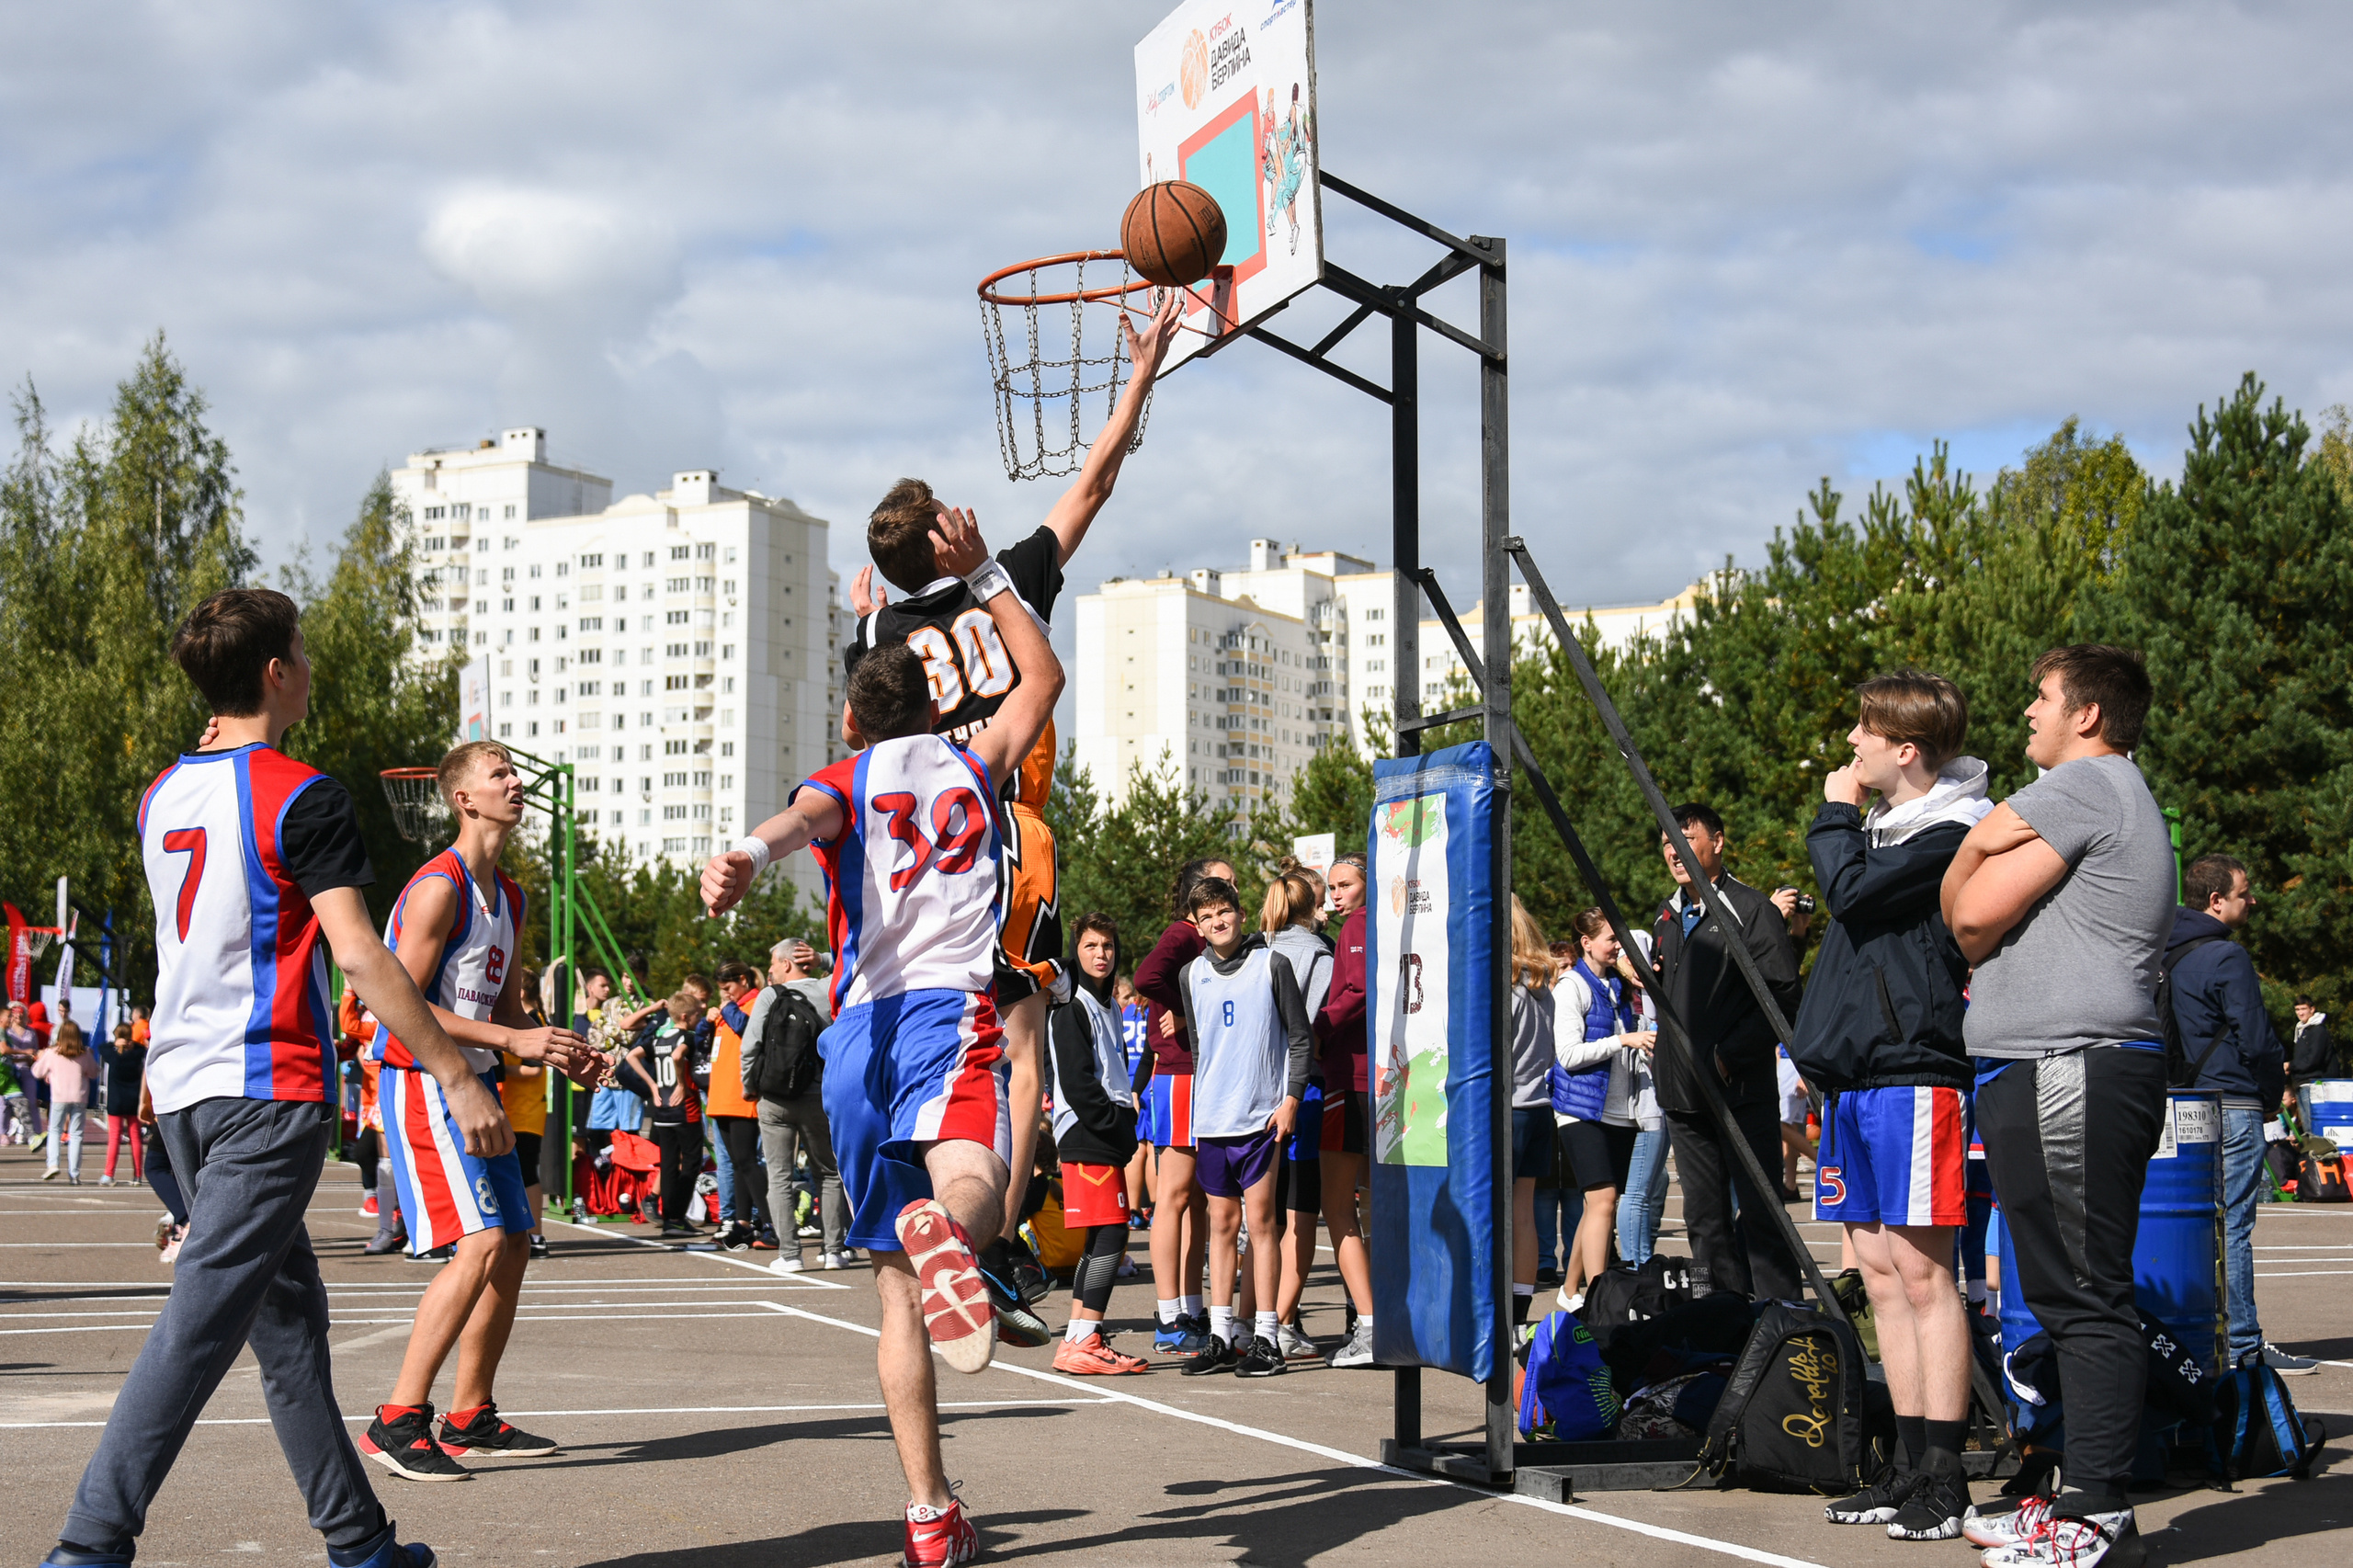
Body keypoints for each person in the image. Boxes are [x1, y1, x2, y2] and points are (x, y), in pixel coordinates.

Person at [48, 585, 455, 1568]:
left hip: (184, 1090)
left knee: (288, 1326)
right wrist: (454, 1069)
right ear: (276, 671)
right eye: (302, 652)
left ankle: (361, 1542)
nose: (310, 666)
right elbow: (358, 952)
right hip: (266, 1090)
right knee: (197, 1325)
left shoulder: (162, 793)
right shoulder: (303, 794)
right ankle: (90, 1543)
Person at [700, 508, 1063, 1567]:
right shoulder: (972, 761)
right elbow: (1040, 680)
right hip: (948, 1011)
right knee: (971, 1181)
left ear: (852, 721)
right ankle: (955, 1232)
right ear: (936, 703)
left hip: (857, 1034)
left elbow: (794, 825)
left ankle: (928, 1512)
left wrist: (744, 855)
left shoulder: (846, 779)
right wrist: (986, 575)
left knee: (897, 1292)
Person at [847, 298, 1184, 1321]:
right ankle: (991, 1239)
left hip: (918, 851)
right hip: (1006, 836)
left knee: (944, 1036)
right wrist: (1142, 370)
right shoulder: (1009, 582)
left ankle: (941, 1203)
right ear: (949, 535)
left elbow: (861, 735)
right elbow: (1096, 480)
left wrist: (872, 617)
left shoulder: (878, 634)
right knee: (1023, 1049)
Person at [1942, 645, 2175, 1568]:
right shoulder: (2100, 794)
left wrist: (1973, 843)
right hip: (2048, 1065)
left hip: (2069, 1065)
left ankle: (2097, 1513)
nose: (2028, 711)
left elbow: (1969, 915)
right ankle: (2077, 1496)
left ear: (2087, 714)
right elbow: (1975, 915)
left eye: (2041, 697)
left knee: (2082, 1293)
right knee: (2063, 1290)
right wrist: (1983, 850)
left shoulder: (2086, 783)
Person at [358, 740, 600, 1482]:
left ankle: (470, 1415)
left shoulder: (511, 896)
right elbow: (399, 1001)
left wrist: (556, 1048)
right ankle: (398, 1419)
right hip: (424, 1077)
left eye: (514, 773)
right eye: (500, 774)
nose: (515, 782)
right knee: (485, 1240)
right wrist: (509, 1039)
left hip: (479, 1078)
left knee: (515, 1244)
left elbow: (505, 1012)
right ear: (464, 798)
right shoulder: (440, 886)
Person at [1783, 670, 1989, 1541]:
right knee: (1877, 1275)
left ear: (1905, 749)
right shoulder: (1880, 831)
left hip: (1913, 1075)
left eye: (1863, 733)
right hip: (1854, 1080)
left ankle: (1946, 1474)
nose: (1850, 746)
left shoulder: (1955, 831)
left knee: (1923, 1274)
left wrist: (1834, 816)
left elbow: (1852, 894)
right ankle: (1906, 1465)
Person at [1650, 802, 1806, 1300]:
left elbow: (1783, 997)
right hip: (1681, 1096)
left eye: (1686, 838)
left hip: (1739, 1093)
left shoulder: (1752, 909)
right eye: (1667, 841)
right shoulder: (1666, 915)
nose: (1674, 851)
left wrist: (1726, 1057)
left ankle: (1786, 1322)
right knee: (1704, 1223)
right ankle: (1724, 1322)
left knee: (1762, 1216)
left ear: (1717, 842)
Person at [2167, 854, 2311, 1376]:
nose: (2252, 900)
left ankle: (2196, 1336)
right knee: (2233, 1224)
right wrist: (2270, 1093)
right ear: (2216, 901)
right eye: (2244, 892)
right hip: (2232, 1101)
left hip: (2181, 1104)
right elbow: (2257, 1038)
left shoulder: (2165, 953)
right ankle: (2245, 1346)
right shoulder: (2226, 957)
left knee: (2189, 1223)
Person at [1171, 876, 1313, 1379]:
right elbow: (1201, 1049)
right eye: (1207, 916)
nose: (1218, 921)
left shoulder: (1272, 964)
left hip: (1261, 1116)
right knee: (1222, 1226)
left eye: (1224, 911)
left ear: (1241, 912)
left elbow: (1300, 1039)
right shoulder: (1191, 974)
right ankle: (1220, 1335)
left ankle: (1268, 1337)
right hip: (1213, 1118)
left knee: (1262, 1224)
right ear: (1197, 925)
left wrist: (1291, 1099)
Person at [1134, 856, 1235, 1357]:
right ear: (1197, 896)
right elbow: (1145, 977)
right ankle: (1168, 1314)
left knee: (1197, 1198)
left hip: (1206, 1074)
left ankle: (1192, 1308)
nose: (1233, 889)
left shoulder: (1216, 941)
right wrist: (1184, 1007)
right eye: (1223, 882)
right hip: (1179, 1077)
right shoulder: (1181, 933)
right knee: (1173, 1196)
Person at [1047, 912, 1152, 1374]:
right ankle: (1086, 1338)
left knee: (1101, 1235)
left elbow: (1114, 1072)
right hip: (1087, 1131)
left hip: (1104, 1131)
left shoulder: (1109, 1005)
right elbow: (1077, 1082)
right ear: (1077, 951)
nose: (1101, 954)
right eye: (1090, 946)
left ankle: (1077, 1338)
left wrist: (1123, 1121)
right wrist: (1115, 1124)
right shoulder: (1072, 1006)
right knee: (1112, 1232)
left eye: (1107, 945)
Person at [1552, 909, 1657, 1310]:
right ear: (1587, 942)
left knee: (1596, 1207)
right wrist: (1623, 1041)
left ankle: (1570, 1290)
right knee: (1604, 1201)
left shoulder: (1616, 986)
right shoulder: (1571, 986)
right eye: (1612, 939)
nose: (1618, 946)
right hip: (1581, 1110)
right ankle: (1601, 1298)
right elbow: (1568, 1054)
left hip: (1619, 1112)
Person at [1261, 861, 1335, 1358]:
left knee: (1262, 1215)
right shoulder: (1317, 953)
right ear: (1311, 906)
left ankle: (1258, 1317)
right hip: (1302, 1090)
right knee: (1300, 1212)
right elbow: (1313, 1025)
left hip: (1256, 1090)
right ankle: (1283, 1318)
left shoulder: (1256, 949)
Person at [742, 937, 849, 1270]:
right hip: (819, 1094)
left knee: (779, 1176)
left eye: (773, 963)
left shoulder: (769, 995)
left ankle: (790, 1255)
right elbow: (854, 961)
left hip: (775, 1097)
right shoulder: (827, 990)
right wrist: (824, 959)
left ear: (786, 964)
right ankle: (833, 1251)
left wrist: (749, 1087)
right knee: (829, 1173)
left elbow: (750, 1046)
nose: (770, 970)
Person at [1313, 851, 1378, 1367]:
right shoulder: (1388, 922)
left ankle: (1370, 1324)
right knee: (1377, 1205)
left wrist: (1315, 1029)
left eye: (1345, 884)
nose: (1336, 894)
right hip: (1384, 1076)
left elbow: (1357, 989)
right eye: (1331, 886)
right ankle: (1384, 1315)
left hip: (1350, 1075)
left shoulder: (1359, 924)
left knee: (1337, 1206)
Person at [1504, 900, 1564, 1327]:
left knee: (1493, 1213)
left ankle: (1497, 1313)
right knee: (1522, 1214)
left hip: (1506, 1109)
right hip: (1538, 1105)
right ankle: (1519, 1315)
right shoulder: (1542, 984)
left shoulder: (1505, 987)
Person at [630, 994, 708, 1238]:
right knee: (692, 1162)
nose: (699, 1018)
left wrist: (652, 1085)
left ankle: (669, 1220)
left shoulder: (659, 1038)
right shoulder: (688, 1037)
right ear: (685, 1016)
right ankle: (676, 1217)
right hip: (684, 1109)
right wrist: (682, 1084)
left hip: (662, 1108)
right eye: (697, 1015)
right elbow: (677, 1056)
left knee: (669, 1164)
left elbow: (631, 1056)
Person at [499, 970, 551, 1261]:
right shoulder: (527, 1020)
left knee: (527, 1171)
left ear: (520, 991)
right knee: (520, 1172)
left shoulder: (532, 1023)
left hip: (526, 1110)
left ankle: (536, 1236)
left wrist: (498, 1068)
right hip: (516, 1108)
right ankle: (525, 1233)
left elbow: (534, 1069)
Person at [32, 1021, 93, 1184]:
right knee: (76, 1134)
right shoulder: (85, 1053)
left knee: (54, 1130)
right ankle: (74, 1174)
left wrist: (42, 1060)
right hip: (79, 1097)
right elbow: (94, 1072)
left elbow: (37, 1072)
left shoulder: (52, 1053)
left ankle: (53, 1164)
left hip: (59, 1097)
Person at [97, 1021, 148, 1186]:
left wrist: (116, 1044)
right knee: (135, 1138)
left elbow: (101, 1047)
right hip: (134, 1100)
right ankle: (137, 1176)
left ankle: (108, 1174)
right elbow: (143, 1048)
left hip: (116, 1100)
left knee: (114, 1138)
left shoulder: (113, 1055)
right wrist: (131, 1044)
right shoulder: (136, 1053)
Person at [2289, 997, 2334, 1132]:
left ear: (2312, 1009)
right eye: (2297, 1009)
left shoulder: (2318, 1030)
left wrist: (2290, 1066)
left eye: (2303, 1009)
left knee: (2314, 1126)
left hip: (2313, 1084)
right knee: (2307, 1128)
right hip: (2301, 1083)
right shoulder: (2301, 1030)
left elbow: (2313, 1059)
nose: (2300, 1013)